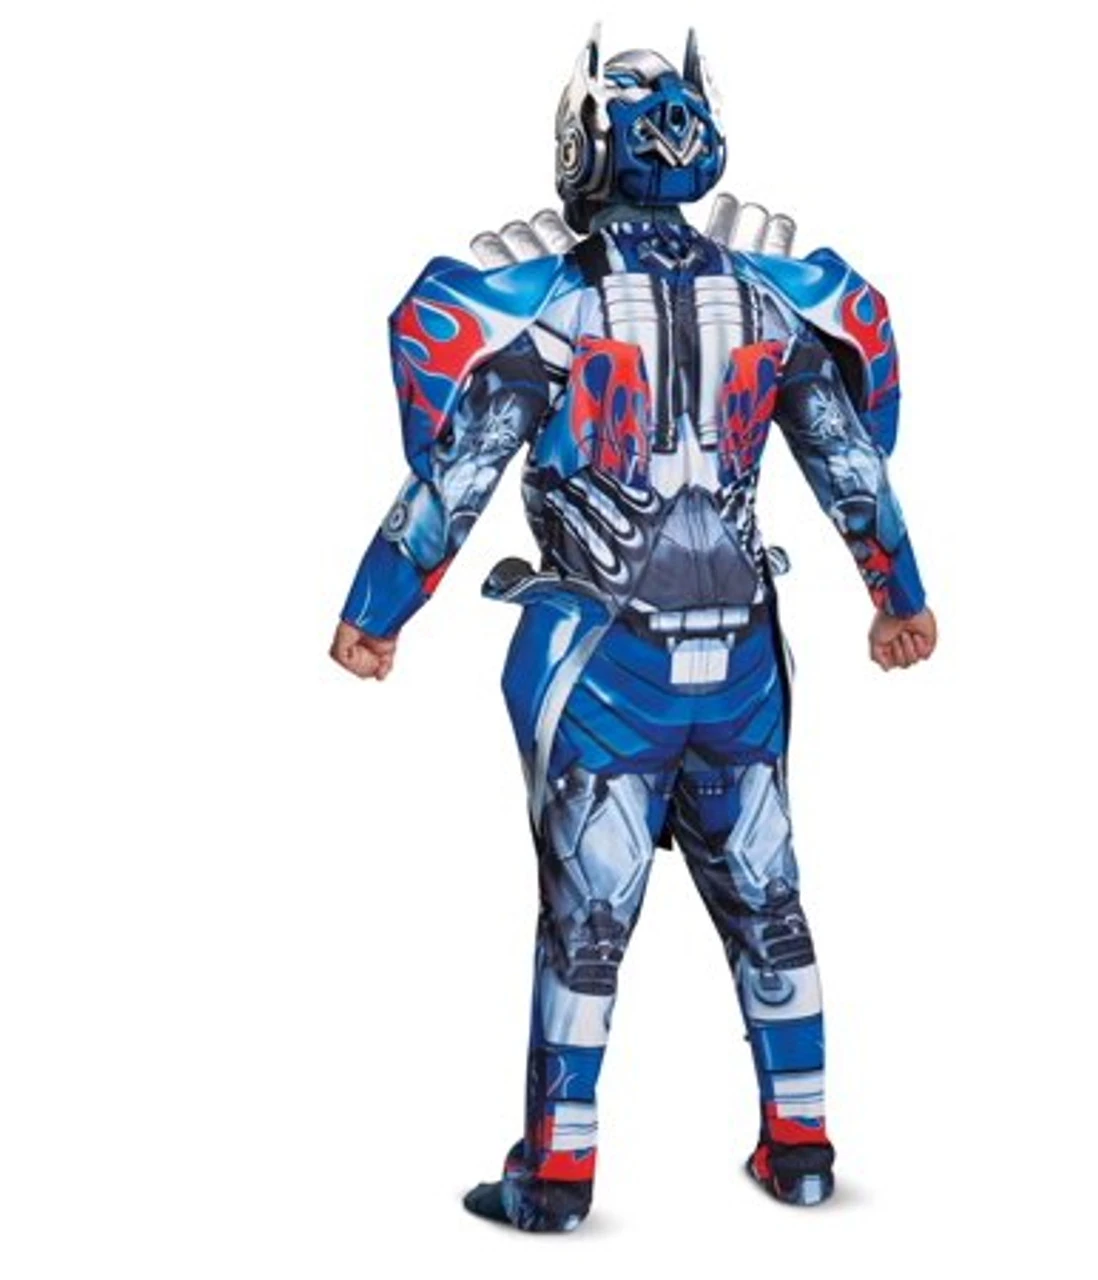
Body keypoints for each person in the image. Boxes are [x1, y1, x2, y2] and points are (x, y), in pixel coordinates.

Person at [329, 26, 938, 1232]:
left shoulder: (551, 303)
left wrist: (374, 610)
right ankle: (802, 1147)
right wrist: (897, 594)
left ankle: (556, 1175)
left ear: (584, 147)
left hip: (608, 666)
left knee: (586, 920)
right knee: (769, 898)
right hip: (744, 660)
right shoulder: (770, 299)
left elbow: (454, 479)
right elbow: (850, 467)